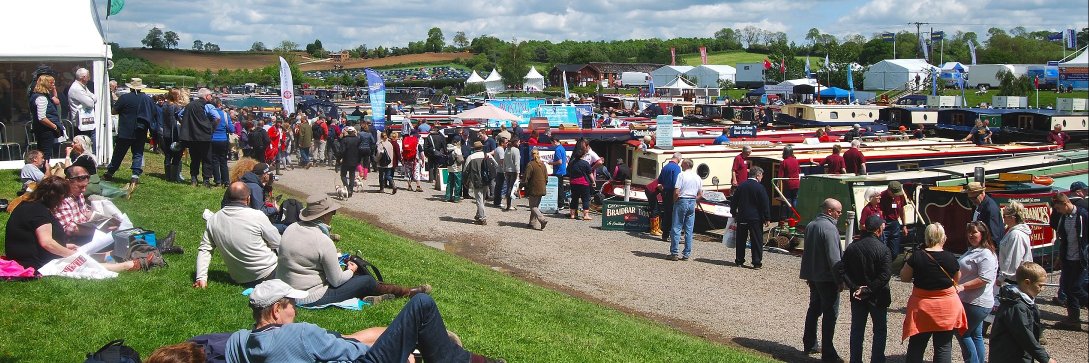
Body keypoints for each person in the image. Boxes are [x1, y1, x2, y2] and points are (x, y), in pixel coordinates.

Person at [224, 279, 505, 363]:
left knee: (352, 337)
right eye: (292, 306)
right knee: (422, 304)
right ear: (276, 310)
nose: (295, 311)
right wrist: (400, 352)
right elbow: (353, 351)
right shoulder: (299, 334)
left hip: (331, 352)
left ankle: (446, 351)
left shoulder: (243, 342)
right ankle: (457, 358)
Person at [277, 196, 427, 307]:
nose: (333, 216)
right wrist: (351, 270)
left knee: (358, 280)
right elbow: (336, 281)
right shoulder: (322, 241)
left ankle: (377, 294)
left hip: (285, 291)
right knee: (366, 280)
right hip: (309, 297)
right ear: (324, 215)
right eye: (332, 213)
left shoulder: (291, 229)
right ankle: (406, 292)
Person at [4, 176, 159, 272]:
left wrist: (65, 245)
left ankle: (133, 255)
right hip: (34, 262)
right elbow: (47, 243)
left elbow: (36, 239)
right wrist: (70, 254)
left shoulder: (29, 206)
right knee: (82, 262)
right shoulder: (39, 212)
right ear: (55, 197)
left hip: (27, 256)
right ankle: (128, 265)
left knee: (95, 254)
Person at [900, 223, 967, 363]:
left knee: (917, 345)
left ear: (926, 237)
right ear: (943, 237)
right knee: (943, 347)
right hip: (947, 308)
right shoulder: (950, 257)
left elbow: (904, 277)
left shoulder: (917, 256)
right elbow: (956, 280)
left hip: (922, 307)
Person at [195, 182, 282, 289]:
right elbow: (278, 243)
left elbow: (205, 249)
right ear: (248, 199)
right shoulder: (257, 216)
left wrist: (201, 277)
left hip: (241, 279)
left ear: (227, 197)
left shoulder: (213, 219)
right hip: (269, 273)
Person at [835, 215, 892, 363]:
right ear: (878, 230)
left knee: (857, 330)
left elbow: (842, 270)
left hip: (857, 295)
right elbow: (885, 275)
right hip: (877, 296)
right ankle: (877, 360)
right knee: (879, 331)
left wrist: (855, 287)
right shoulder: (883, 249)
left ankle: (855, 360)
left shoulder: (852, 247)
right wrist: (868, 289)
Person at [800, 198, 844, 362]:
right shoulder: (830, 228)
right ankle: (828, 352)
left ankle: (810, 343)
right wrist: (840, 279)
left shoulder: (811, 225)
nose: (840, 214)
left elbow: (807, 252)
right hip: (827, 278)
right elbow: (834, 258)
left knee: (814, 309)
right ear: (829, 211)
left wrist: (808, 274)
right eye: (838, 212)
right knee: (830, 314)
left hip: (813, 275)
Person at [989, 262, 1056, 363]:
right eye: (1040, 285)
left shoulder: (1025, 302)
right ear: (1027, 282)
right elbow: (1025, 336)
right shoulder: (1016, 306)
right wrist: (1045, 359)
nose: (1042, 289)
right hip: (1010, 357)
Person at [956, 221, 999, 363]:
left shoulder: (986, 254)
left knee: (962, 333)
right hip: (970, 301)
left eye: (974, 232)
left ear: (983, 233)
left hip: (976, 302)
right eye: (969, 232)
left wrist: (962, 286)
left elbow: (984, 279)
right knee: (976, 335)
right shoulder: (974, 250)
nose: (970, 235)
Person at [1048, 193, 1088, 331]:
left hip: (1081, 259)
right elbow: (1063, 239)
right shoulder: (1064, 218)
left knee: (1076, 288)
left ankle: (1075, 318)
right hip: (1068, 258)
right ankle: (1073, 319)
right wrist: (1060, 257)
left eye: (1058, 208)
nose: (1058, 211)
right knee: (1068, 289)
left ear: (1065, 204)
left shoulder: (1083, 215)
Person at [105, 78, 156, 184]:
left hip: (125, 130)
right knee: (138, 153)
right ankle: (135, 176)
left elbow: (114, 111)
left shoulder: (124, 98)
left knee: (119, 153)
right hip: (141, 130)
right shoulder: (147, 99)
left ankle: (110, 172)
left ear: (130, 88)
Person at [179, 88, 220, 187]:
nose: (211, 97)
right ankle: (206, 180)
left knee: (194, 158)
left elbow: (180, 115)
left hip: (192, 136)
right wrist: (212, 128)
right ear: (206, 96)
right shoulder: (208, 106)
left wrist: (188, 126)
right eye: (210, 95)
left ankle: (194, 179)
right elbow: (217, 118)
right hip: (204, 136)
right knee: (206, 158)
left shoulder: (189, 105)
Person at [731, 165, 770, 268]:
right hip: (755, 218)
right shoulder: (760, 187)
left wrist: (733, 213)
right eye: (761, 175)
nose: (762, 178)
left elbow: (734, 201)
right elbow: (765, 203)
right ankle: (756, 262)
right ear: (758, 175)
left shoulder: (741, 186)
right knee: (756, 240)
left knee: (741, 240)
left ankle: (739, 260)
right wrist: (767, 218)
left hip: (742, 216)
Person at [668, 159, 703, 261]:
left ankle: (674, 252)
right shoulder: (697, 177)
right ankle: (686, 254)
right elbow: (701, 194)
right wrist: (694, 200)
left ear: (687, 164)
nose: (681, 165)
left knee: (676, 226)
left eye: (682, 163)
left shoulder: (681, 175)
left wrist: (675, 201)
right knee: (689, 229)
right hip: (692, 200)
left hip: (682, 200)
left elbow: (677, 191)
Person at [997, 201, 1034, 284]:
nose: (1003, 218)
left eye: (1004, 216)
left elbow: (1013, 259)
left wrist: (1001, 278)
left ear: (1012, 218)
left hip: (1014, 279)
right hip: (1016, 277)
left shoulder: (1016, 234)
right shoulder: (1013, 232)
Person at [29, 74, 61, 160]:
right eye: (51, 83)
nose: (53, 85)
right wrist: (54, 127)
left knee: (44, 152)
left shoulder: (43, 95)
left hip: (43, 128)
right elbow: (42, 117)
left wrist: (54, 90)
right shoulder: (41, 98)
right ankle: (44, 167)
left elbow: (56, 101)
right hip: (45, 129)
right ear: (45, 84)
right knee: (45, 153)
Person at [464, 141, 493, 225]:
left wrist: (465, 182)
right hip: (486, 179)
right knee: (482, 199)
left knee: (479, 200)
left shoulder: (471, 157)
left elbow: (466, 171)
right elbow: (495, 166)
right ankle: (478, 215)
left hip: (476, 180)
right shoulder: (487, 155)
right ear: (481, 147)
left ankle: (482, 218)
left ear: (474, 148)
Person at [160, 89, 187, 183]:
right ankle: (174, 176)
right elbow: (180, 119)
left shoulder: (164, 105)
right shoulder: (176, 107)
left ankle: (167, 176)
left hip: (166, 133)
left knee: (168, 155)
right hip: (175, 133)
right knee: (177, 155)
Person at [208, 98, 234, 187]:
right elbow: (231, 129)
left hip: (213, 139)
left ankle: (217, 180)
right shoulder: (225, 115)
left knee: (214, 160)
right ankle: (226, 181)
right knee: (223, 160)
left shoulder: (210, 114)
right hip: (223, 139)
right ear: (219, 104)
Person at [657, 153, 682, 242]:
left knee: (667, 213)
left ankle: (665, 234)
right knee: (674, 214)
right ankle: (673, 235)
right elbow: (676, 182)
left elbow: (659, 180)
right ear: (679, 159)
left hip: (665, 192)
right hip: (672, 192)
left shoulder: (665, 167)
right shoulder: (677, 168)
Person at [880, 181, 909, 255]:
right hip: (884, 224)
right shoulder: (881, 196)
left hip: (895, 224)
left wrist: (904, 225)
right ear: (889, 190)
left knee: (895, 252)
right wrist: (881, 223)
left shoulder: (900, 195)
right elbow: (880, 212)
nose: (896, 195)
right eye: (894, 193)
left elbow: (902, 210)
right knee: (883, 250)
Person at [68, 68, 97, 141]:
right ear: (83, 77)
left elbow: (94, 97)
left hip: (86, 122)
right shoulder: (77, 88)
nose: (89, 79)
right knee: (84, 143)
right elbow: (90, 103)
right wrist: (91, 98)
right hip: (80, 124)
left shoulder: (82, 87)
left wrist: (91, 98)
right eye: (88, 76)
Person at [522, 147, 548, 230]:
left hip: (534, 188)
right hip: (542, 187)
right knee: (535, 206)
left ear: (531, 155)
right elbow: (546, 178)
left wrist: (522, 185)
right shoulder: (543, 164)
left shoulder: (530, 164)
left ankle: (542, 220)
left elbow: (526, 177)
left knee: (532, 206)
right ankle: (532, 223)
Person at [566, 144, 593, 221]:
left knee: (574, 198)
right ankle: (586, 215)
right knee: (585, 199)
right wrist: (593, 181)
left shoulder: (571, 163)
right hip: (583, 183)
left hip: (573, 182)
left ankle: (572, 214)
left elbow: (568, 171)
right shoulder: (585, 163)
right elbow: (590, 173)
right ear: (582, 156)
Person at [777, 146, 800, 219]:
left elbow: (780, 175)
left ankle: (789, 217)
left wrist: (777, 183)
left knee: (788, 200)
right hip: (796, 183)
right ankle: (795, 215)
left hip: (788, 184)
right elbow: (799, 171)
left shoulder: (784, 162)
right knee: (795, 199)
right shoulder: (796, 161)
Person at [549, 138, 569, 211]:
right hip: (562, 170)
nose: (551, 145)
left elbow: (559, 161)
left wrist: (551, 163)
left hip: (558, 171)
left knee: (559, 188)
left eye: (551, 143)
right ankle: (562, 202)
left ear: (554, 141)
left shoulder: (557, 149)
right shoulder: (562, 148)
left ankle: (560, 204)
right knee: (561, 187)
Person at [502, 138, 521, 211]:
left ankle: (508, 204)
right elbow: (516, 162)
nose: (519, 143)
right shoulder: (516, 150)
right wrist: (518, 173)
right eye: (518, 142)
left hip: (507, 170)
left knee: (508, 187)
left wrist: (504, 170)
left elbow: (504, 161)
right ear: (515, 142)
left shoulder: (507, 149)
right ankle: (509, 205)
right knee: (511, 188)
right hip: (513, 171)